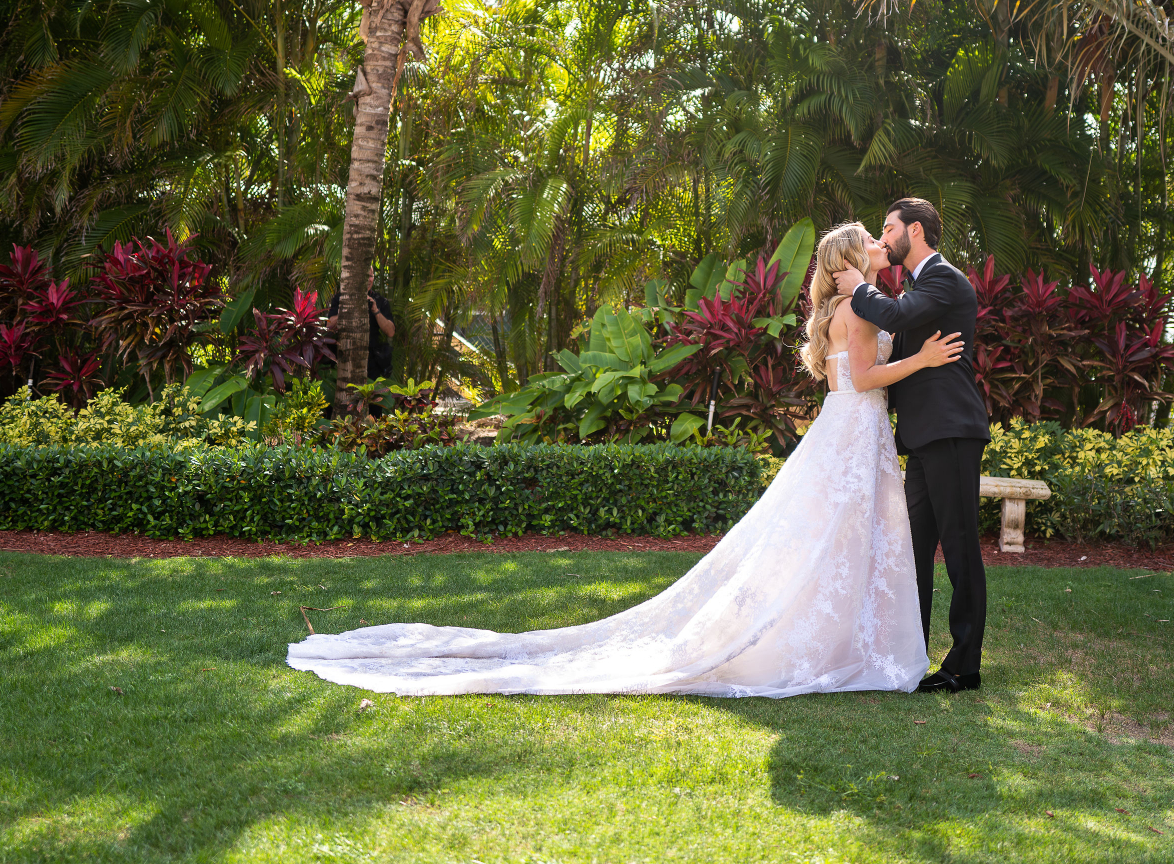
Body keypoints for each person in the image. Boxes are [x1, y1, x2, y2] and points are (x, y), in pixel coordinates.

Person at [286, 221, 965, 697]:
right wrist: (925, 360)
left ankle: (844, 638)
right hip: (854, 431)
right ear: (850, 257)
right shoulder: (860, 308)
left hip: (849, 435)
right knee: (836, 541)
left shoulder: (852, 304)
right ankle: (841, 645)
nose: (879, 243)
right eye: (870, 238)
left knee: (831, 542)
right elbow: (863, 379)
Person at [835, 197, 991, 693]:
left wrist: (858, 286)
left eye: (888, 228)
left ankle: (964, 666)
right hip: (922, 436)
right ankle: (908, 657)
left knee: (960, 548)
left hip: (951, 430)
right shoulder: (918, 286)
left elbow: (896, 316)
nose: (883, 238)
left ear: (915, 230)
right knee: (912, 550)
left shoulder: (944, 279)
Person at [326, 281, 396, 382]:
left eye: (370, 276)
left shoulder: (380, 301)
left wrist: (376, 310)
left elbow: (391, 332)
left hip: (370, 364)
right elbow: (328, 326)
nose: (368, 279)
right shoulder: (340, 298)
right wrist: (349, 307)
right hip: (343, 360)